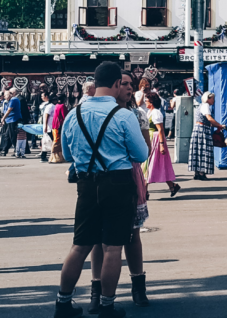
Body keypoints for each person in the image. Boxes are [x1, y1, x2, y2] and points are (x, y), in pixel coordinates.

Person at [54, 62, 148, 318]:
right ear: (117, 83)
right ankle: (107, 305)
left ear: (95, 83)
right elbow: (141, 154)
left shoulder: (75, 114)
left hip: (86, 183)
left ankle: (63, 303)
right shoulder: (123, 115)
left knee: (80, 245)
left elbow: (68, 153)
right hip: (117, 183)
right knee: (113, 247)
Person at [89, 76, 151, 312]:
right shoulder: (98, 112)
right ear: (113, 86)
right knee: (97, 237)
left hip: (129, 176)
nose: (127, 87)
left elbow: (143, 150)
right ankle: (97, 290)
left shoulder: (136, 115)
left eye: (130, 84)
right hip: (99, 175)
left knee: (132, 234)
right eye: (123, 83)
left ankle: (138, 286)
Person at [144, 94, 179, 199]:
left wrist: (161, 144)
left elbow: (160, 130)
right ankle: (172, 186)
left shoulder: (156, 112)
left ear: (151, 102)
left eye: (147, 100)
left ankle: (144, 191)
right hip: (150, 138)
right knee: (156, 165)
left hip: (155, 139)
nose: (145, 101)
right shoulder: (150, 112)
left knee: (150, 164)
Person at [188, 91, 225, 180]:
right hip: (203, 130)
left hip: (198, 128)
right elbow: (209, 118)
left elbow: (207, 121)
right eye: (212, 99)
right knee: (204, 150)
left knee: (197, 151)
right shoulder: (206, 106)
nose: (214, 101)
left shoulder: (201, 106)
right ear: (208, 98)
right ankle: (201, 173)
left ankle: (197, 173)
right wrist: (219, 125)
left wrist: (215, 125)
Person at [0, 88, 22, 157]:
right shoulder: (9, 100)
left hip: (13, 119)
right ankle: (4, 150)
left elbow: (9, 110)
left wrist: (3, 118)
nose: (4, 97)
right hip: (9, 120)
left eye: (5, 96)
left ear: (9, 95)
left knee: (12, 136)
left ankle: (17, 151)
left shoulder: (13, 99)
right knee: (7, 136)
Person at [50, 96, 71, 164]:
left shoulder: (57, 105)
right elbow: (65, 116)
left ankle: (56, 157)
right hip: (59, 125)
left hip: (55, 125)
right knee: (57, 141)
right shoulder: (62, 106)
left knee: (56, 140)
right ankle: (55, 157)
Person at [41, 95, 58, 163]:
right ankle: (50, 156)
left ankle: (44, 156)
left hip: (51, 126)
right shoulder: (50, 106)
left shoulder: (52, 106)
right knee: (52, 142)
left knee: (47, 142)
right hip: (49, 127)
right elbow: (46, 116)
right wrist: (45, 126)